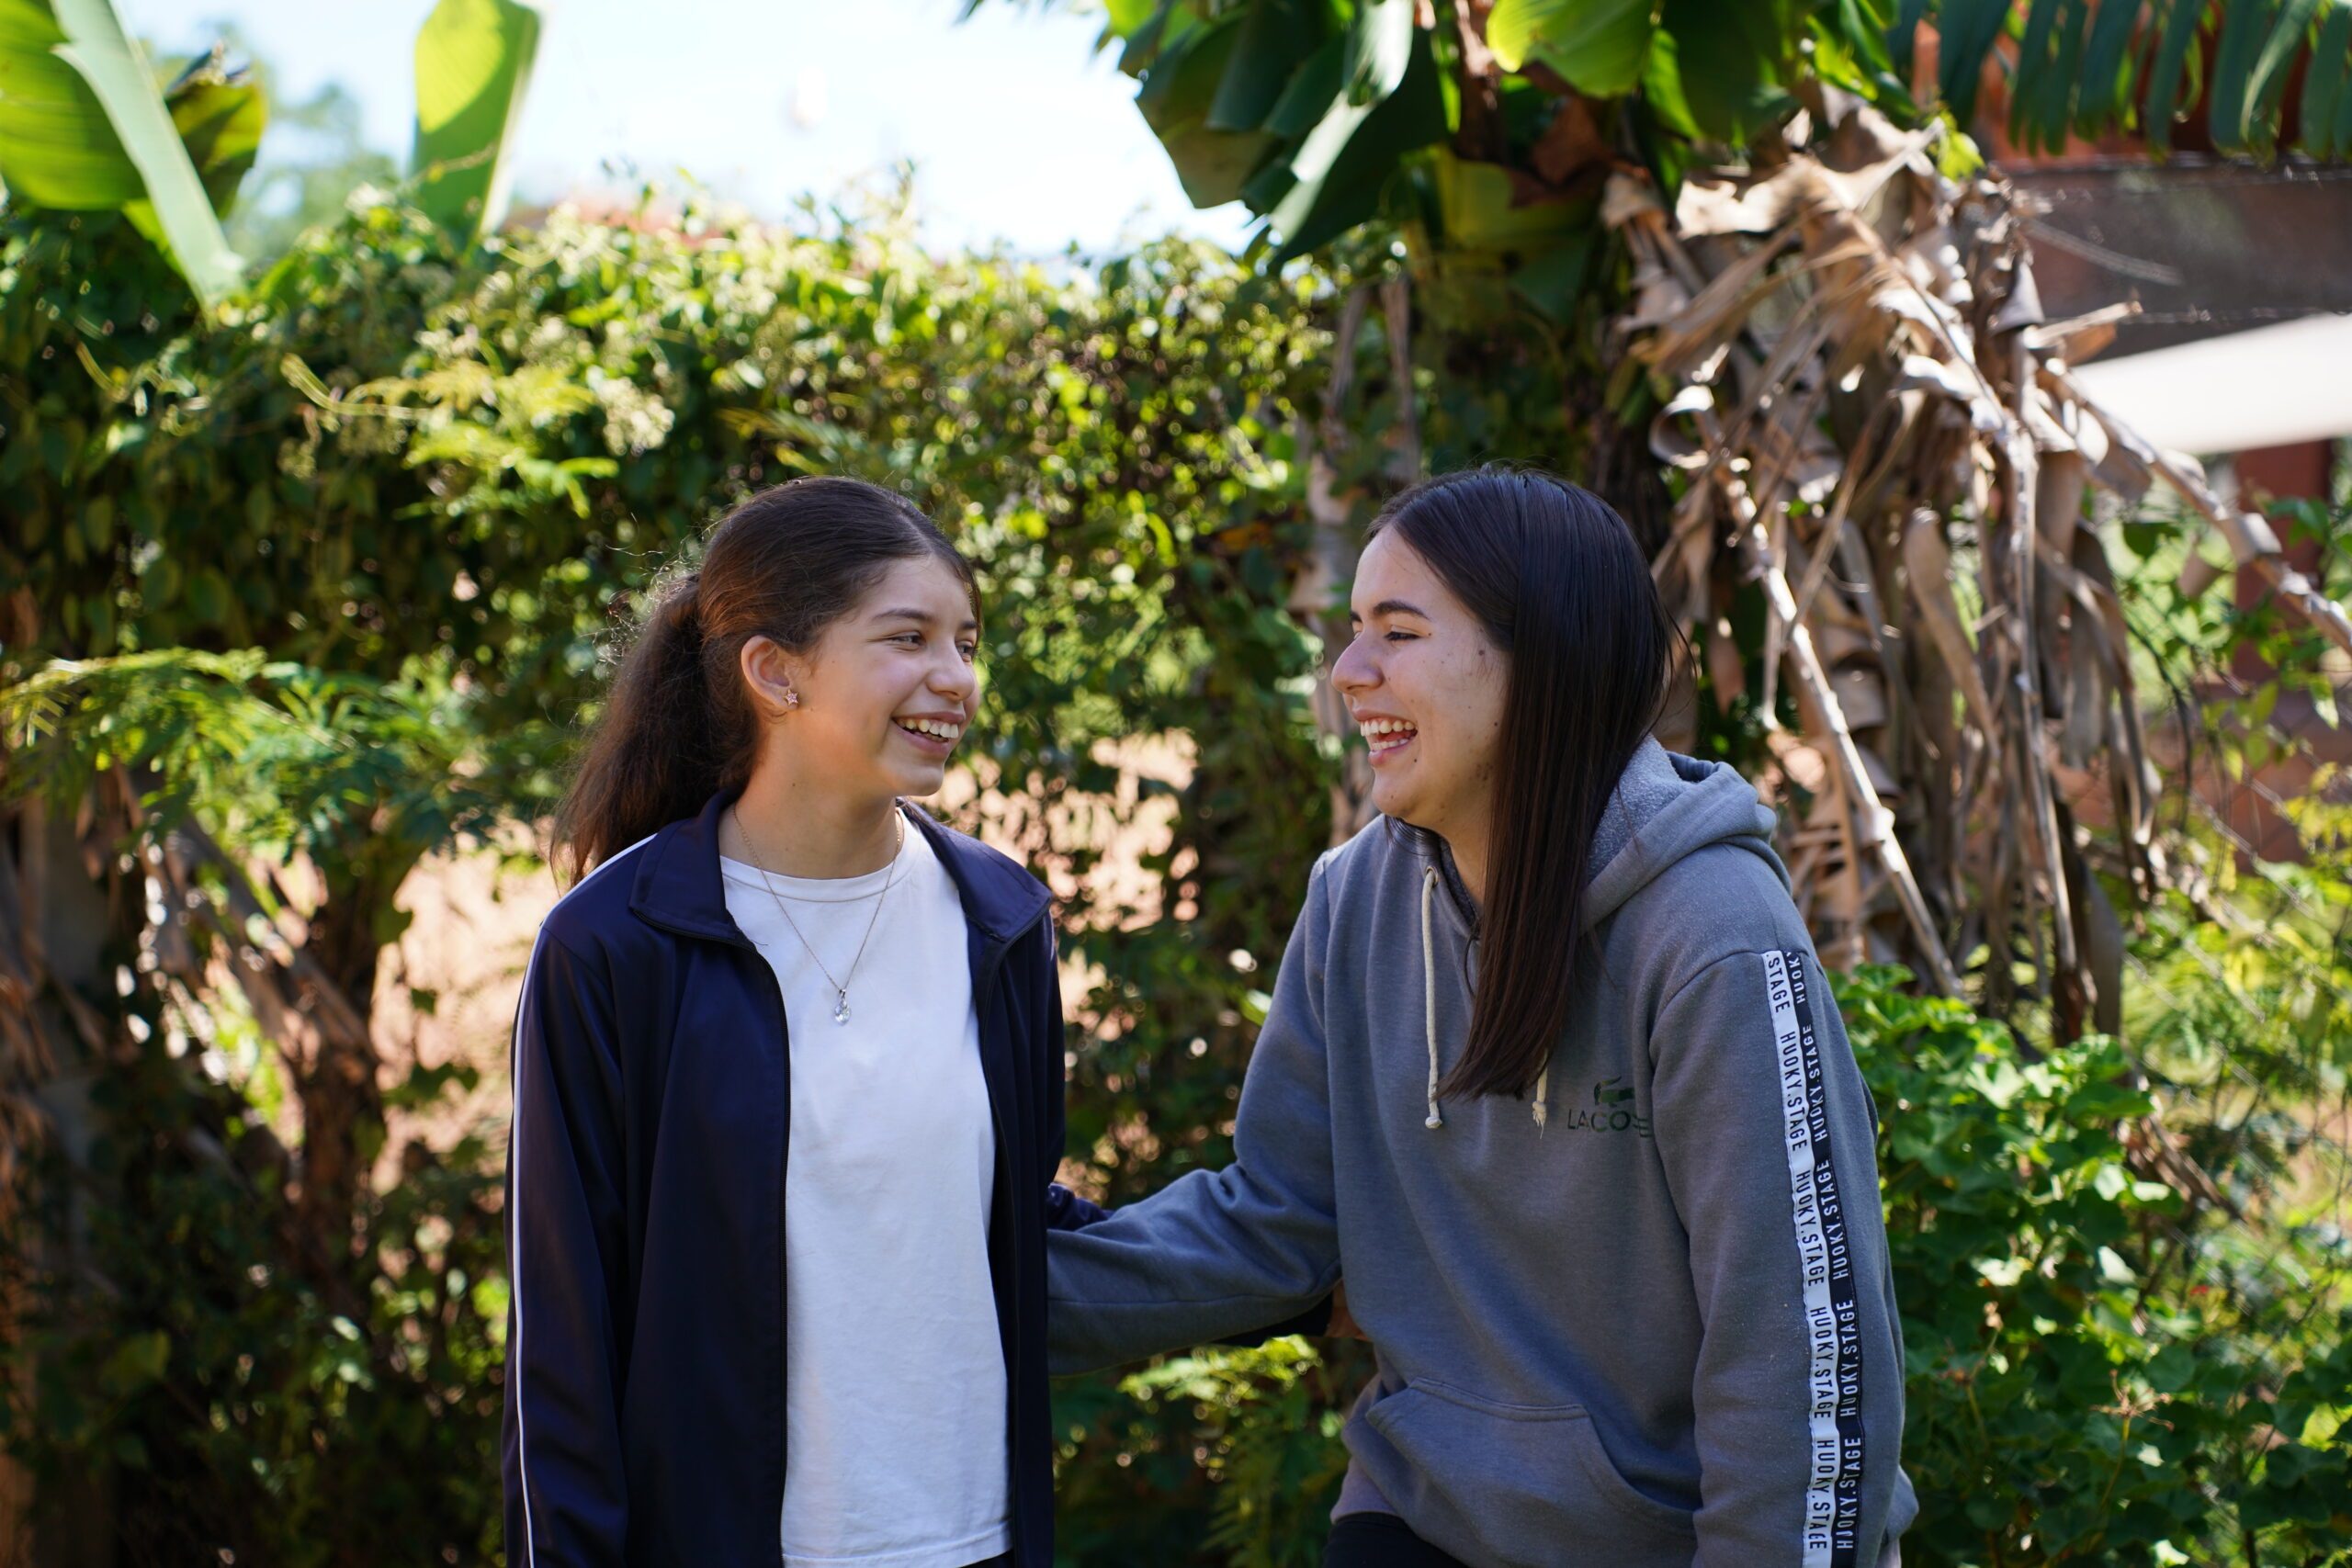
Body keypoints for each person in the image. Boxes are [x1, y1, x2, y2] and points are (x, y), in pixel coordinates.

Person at [1046, 467, 1917, 1568]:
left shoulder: (1711, 934)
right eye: (1353, 631)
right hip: (1427, 1512)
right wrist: (986, 1295)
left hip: (1670, 1539)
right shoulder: (1356, 896)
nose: (1350, 673)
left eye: (1398, 632)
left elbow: (1798, 1353)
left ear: (1538, 659)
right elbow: (1276, 1228)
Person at [501, 476, 1102, 1567]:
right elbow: (564, 1343)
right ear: (774, 670)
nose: (955, 679)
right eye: (907, 637)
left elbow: (1017, 1223)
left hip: (975, 1542)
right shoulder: (618, 945)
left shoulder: (1001, 924)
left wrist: (1288, 1276)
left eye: (966, 641)